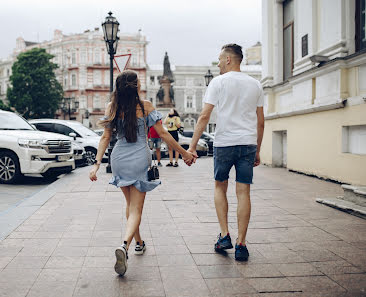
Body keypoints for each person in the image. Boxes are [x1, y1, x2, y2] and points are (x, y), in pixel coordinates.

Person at [89, 70, 197, 276]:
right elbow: (163, 133)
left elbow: (105, 137)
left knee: (130, 206)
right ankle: (124, 246)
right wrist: (184, 153)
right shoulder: (145, 106)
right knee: (136, 209)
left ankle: (138, 242)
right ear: (135, 86)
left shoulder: (112, 107)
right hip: (139, 157)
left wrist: (96, 164)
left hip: (118, 158)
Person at [188, 44, 264, 261]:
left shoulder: (218, 82)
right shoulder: (255, 84)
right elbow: (261, 122)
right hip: (248, 143)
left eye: (220, 59)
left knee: (220, 186)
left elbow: (204, 116)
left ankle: (224, 236)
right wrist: (257, 150)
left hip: (224, 144)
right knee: (244, 192)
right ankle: (241, 244)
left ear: (229, 59)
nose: (218, 63)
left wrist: (192, 147)